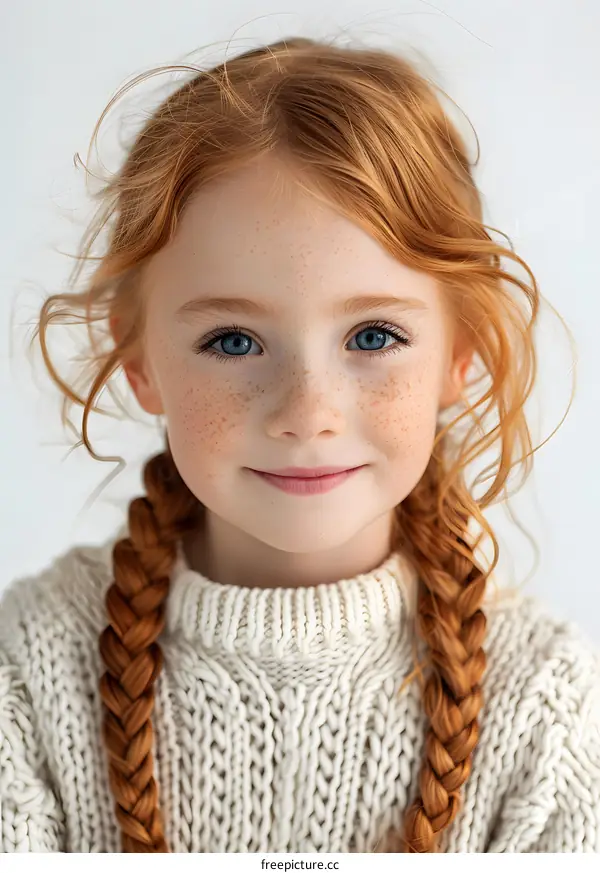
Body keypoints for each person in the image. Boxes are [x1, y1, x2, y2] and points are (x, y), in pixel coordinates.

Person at [1, 35, 599, 855]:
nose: (308, 412)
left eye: (375, 334)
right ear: (140, 361)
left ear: (462, 354)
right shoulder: (27, 676)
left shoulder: (552, 709)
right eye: (234, 342)